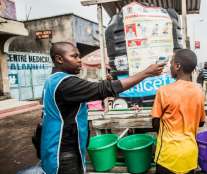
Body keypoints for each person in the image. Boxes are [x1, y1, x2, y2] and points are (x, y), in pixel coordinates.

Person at [40, 42, 164, 174]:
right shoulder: (65, 83)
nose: (79, 60)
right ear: (59, 59)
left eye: (79, 56)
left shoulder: (52, 80)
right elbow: (104, 89)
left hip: (53, 146)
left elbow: (90, 89)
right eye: (74, 56)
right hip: (63, 152)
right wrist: (146, 73)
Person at [151, 49, 205, 174]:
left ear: (177, 66)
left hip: (168, 155)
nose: (170, 67)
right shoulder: (198, 91)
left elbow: (155, 124)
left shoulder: (163, 91)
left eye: (171, 63)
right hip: (190, 154)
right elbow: (201, 123)